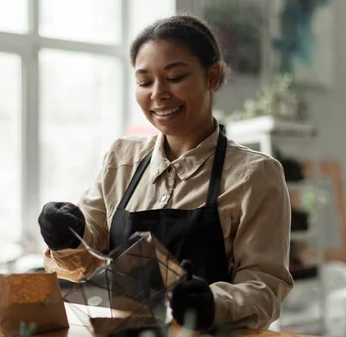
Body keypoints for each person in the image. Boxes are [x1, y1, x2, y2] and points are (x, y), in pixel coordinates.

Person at [39, 14, 294, 332]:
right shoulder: (122, 159)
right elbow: (85, 261)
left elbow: (265, 288)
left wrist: (211, 303)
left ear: (212, 76)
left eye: (175, 77)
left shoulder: (255, 175)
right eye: (145, 82)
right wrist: (65, 235)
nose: (157, 93)